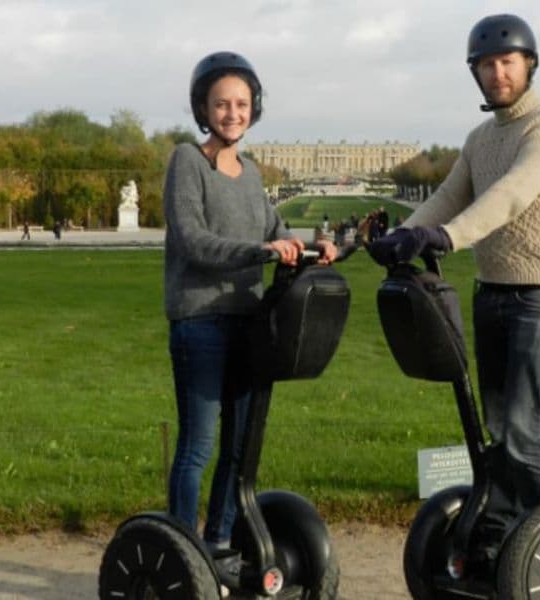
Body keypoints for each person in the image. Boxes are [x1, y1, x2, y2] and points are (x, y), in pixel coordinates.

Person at [371, 14, 540, 539]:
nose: (497, 74)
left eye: (507, 62)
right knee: (496, 429)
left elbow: (514, 192)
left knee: (525, 431)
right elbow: (447, 197)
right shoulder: (479, 138)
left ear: (528, 65)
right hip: (492, 293)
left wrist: (446, 237)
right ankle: (504, 535)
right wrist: (402, 236)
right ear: (476, 73)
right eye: (486, 65)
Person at [163, 51, 337, 569]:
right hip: (200, 320)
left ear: (253, 108)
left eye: (241, 104)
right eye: (221, 104)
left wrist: (314, 246)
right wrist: (259, 252)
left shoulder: (251, 171)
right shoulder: (187, 161)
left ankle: (217, 541)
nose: (232, 113)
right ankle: (182, 548)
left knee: (239, 445)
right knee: (199, 444)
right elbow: (193, 240)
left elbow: (274, 230)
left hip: (248, 321)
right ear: (203, 107)